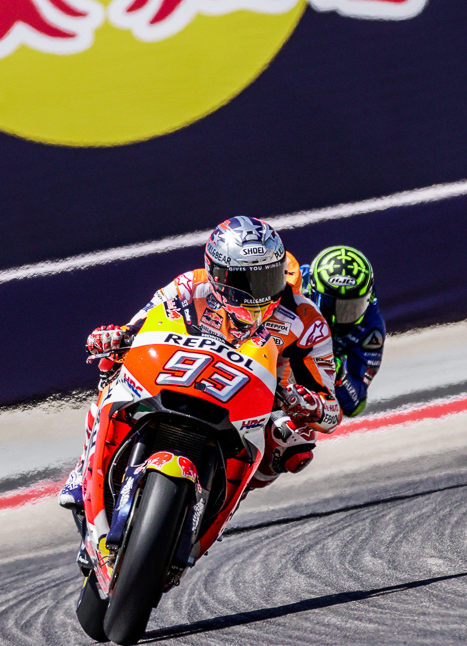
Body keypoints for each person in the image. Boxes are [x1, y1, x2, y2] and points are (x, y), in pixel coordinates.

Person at [59, 216, 341, 515]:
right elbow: (137, 330)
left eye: (268, 278)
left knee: (295, 440)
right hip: (181, 374)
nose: (258, 293)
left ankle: (229, 498)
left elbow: (331, 411)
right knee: (113, 362)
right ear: (217, 273)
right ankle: (85, 466)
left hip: (257, 403)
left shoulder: (307, 320)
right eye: (245, 282)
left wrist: (307, 404)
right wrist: (115, 337)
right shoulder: (189, 285)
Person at [289, 245, 384, 417]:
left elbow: (356, 405)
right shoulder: (294, 284)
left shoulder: (371, 330)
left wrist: (341, 375)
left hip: (306, 388)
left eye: (355, 306)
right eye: (334, 305)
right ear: (314, 293)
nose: (345, 315)